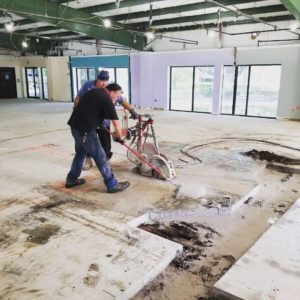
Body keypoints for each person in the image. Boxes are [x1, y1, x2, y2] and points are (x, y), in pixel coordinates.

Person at [65, 83, 130, 193]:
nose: (116, 98)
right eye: (117, 96)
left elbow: (89, 109)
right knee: (100, 156)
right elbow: (116, 122)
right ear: (111, 92)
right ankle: (112, 185)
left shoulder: (94, 91)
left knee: (80, 153)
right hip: (85, 130)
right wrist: (120, 137)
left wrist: (97, 122)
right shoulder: (107, 99)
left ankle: (71, 180)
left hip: (75, 126)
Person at [74, 70, 139, 170]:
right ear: (97, 79)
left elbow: (121, 100)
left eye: (106, 81)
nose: (104, 83)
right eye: (101, 80)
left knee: (105, 143)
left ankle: (106, 161)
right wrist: (76, 110)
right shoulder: (89, 86)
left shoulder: (111, 92)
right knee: (88, 142)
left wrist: (132, 110)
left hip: (103, 122)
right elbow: (78, 98)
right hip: (89, 122)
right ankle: (89, 159)